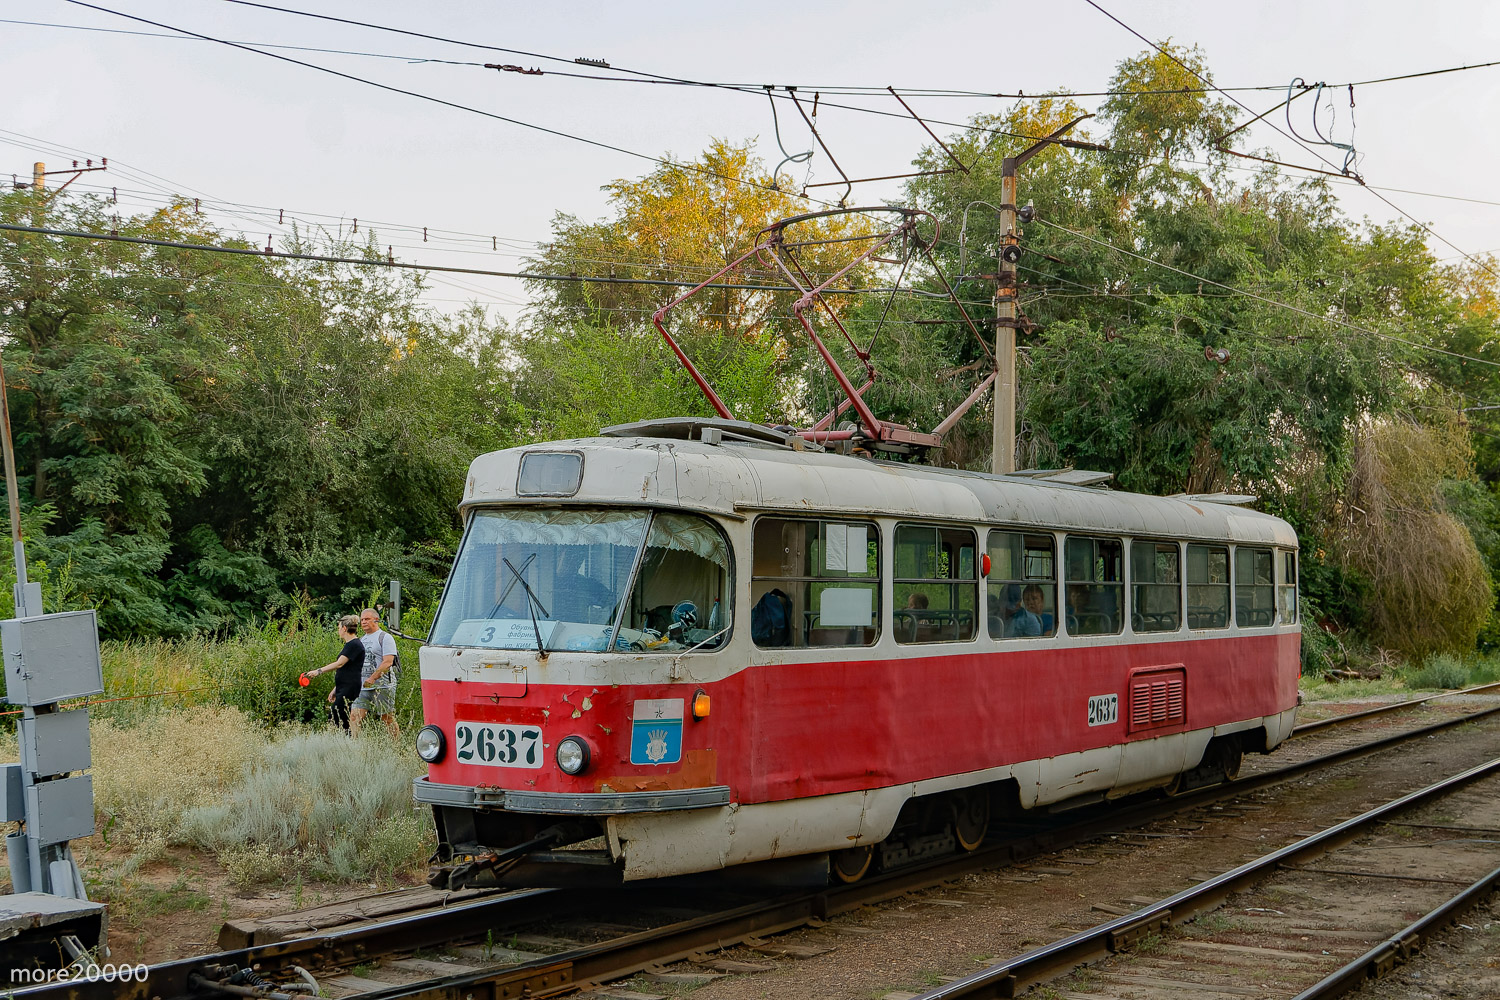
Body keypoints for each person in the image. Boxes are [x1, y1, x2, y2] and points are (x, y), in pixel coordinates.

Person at [306, 614, 365, 730]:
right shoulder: (350, 645)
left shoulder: (354, 644)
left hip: (350, 687)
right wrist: (336, 689)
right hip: (344, 686)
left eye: (338, 628)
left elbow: (340, 663)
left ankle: (345, 743)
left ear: (344, 628)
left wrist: (318, 671)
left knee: (336, 716)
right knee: (339, 717)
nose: (338, 631)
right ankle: (345, 742)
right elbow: (346, 670)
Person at [350, 607, 400, 739]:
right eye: (362, 620)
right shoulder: (360, 640)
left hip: (382, 686)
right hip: (362, 687)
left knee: (386, 717)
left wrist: (373, 678)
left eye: (367, 619)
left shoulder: (385, 638)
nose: (364, 622)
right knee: (354, 716)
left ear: (376, 620)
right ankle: (353, 747)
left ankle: (396, 746)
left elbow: (388, 662)